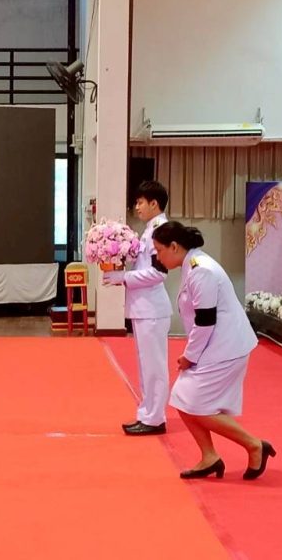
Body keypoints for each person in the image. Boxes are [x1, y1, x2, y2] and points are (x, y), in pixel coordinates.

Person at [152, 221, 276, 480]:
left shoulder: (202, 271)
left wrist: (189, 356)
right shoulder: (192, 265)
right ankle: (209, 456)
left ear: (174, 246)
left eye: (159, 250)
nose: (158, 257)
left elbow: (205, 321)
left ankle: (254, 445)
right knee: (182, 399)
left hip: (226, 346)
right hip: (214, 344)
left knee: (198, 406)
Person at [103, 181, 171, 436]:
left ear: (154, 203)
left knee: (154, 367)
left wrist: (123, 277)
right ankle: (147, 413)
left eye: (141, 202)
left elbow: (159, 273)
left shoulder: (161, 230)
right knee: (146, 366)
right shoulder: (151, 229)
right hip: (144, 308)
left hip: (152, 308)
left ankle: (155, 417)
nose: (137, 207)